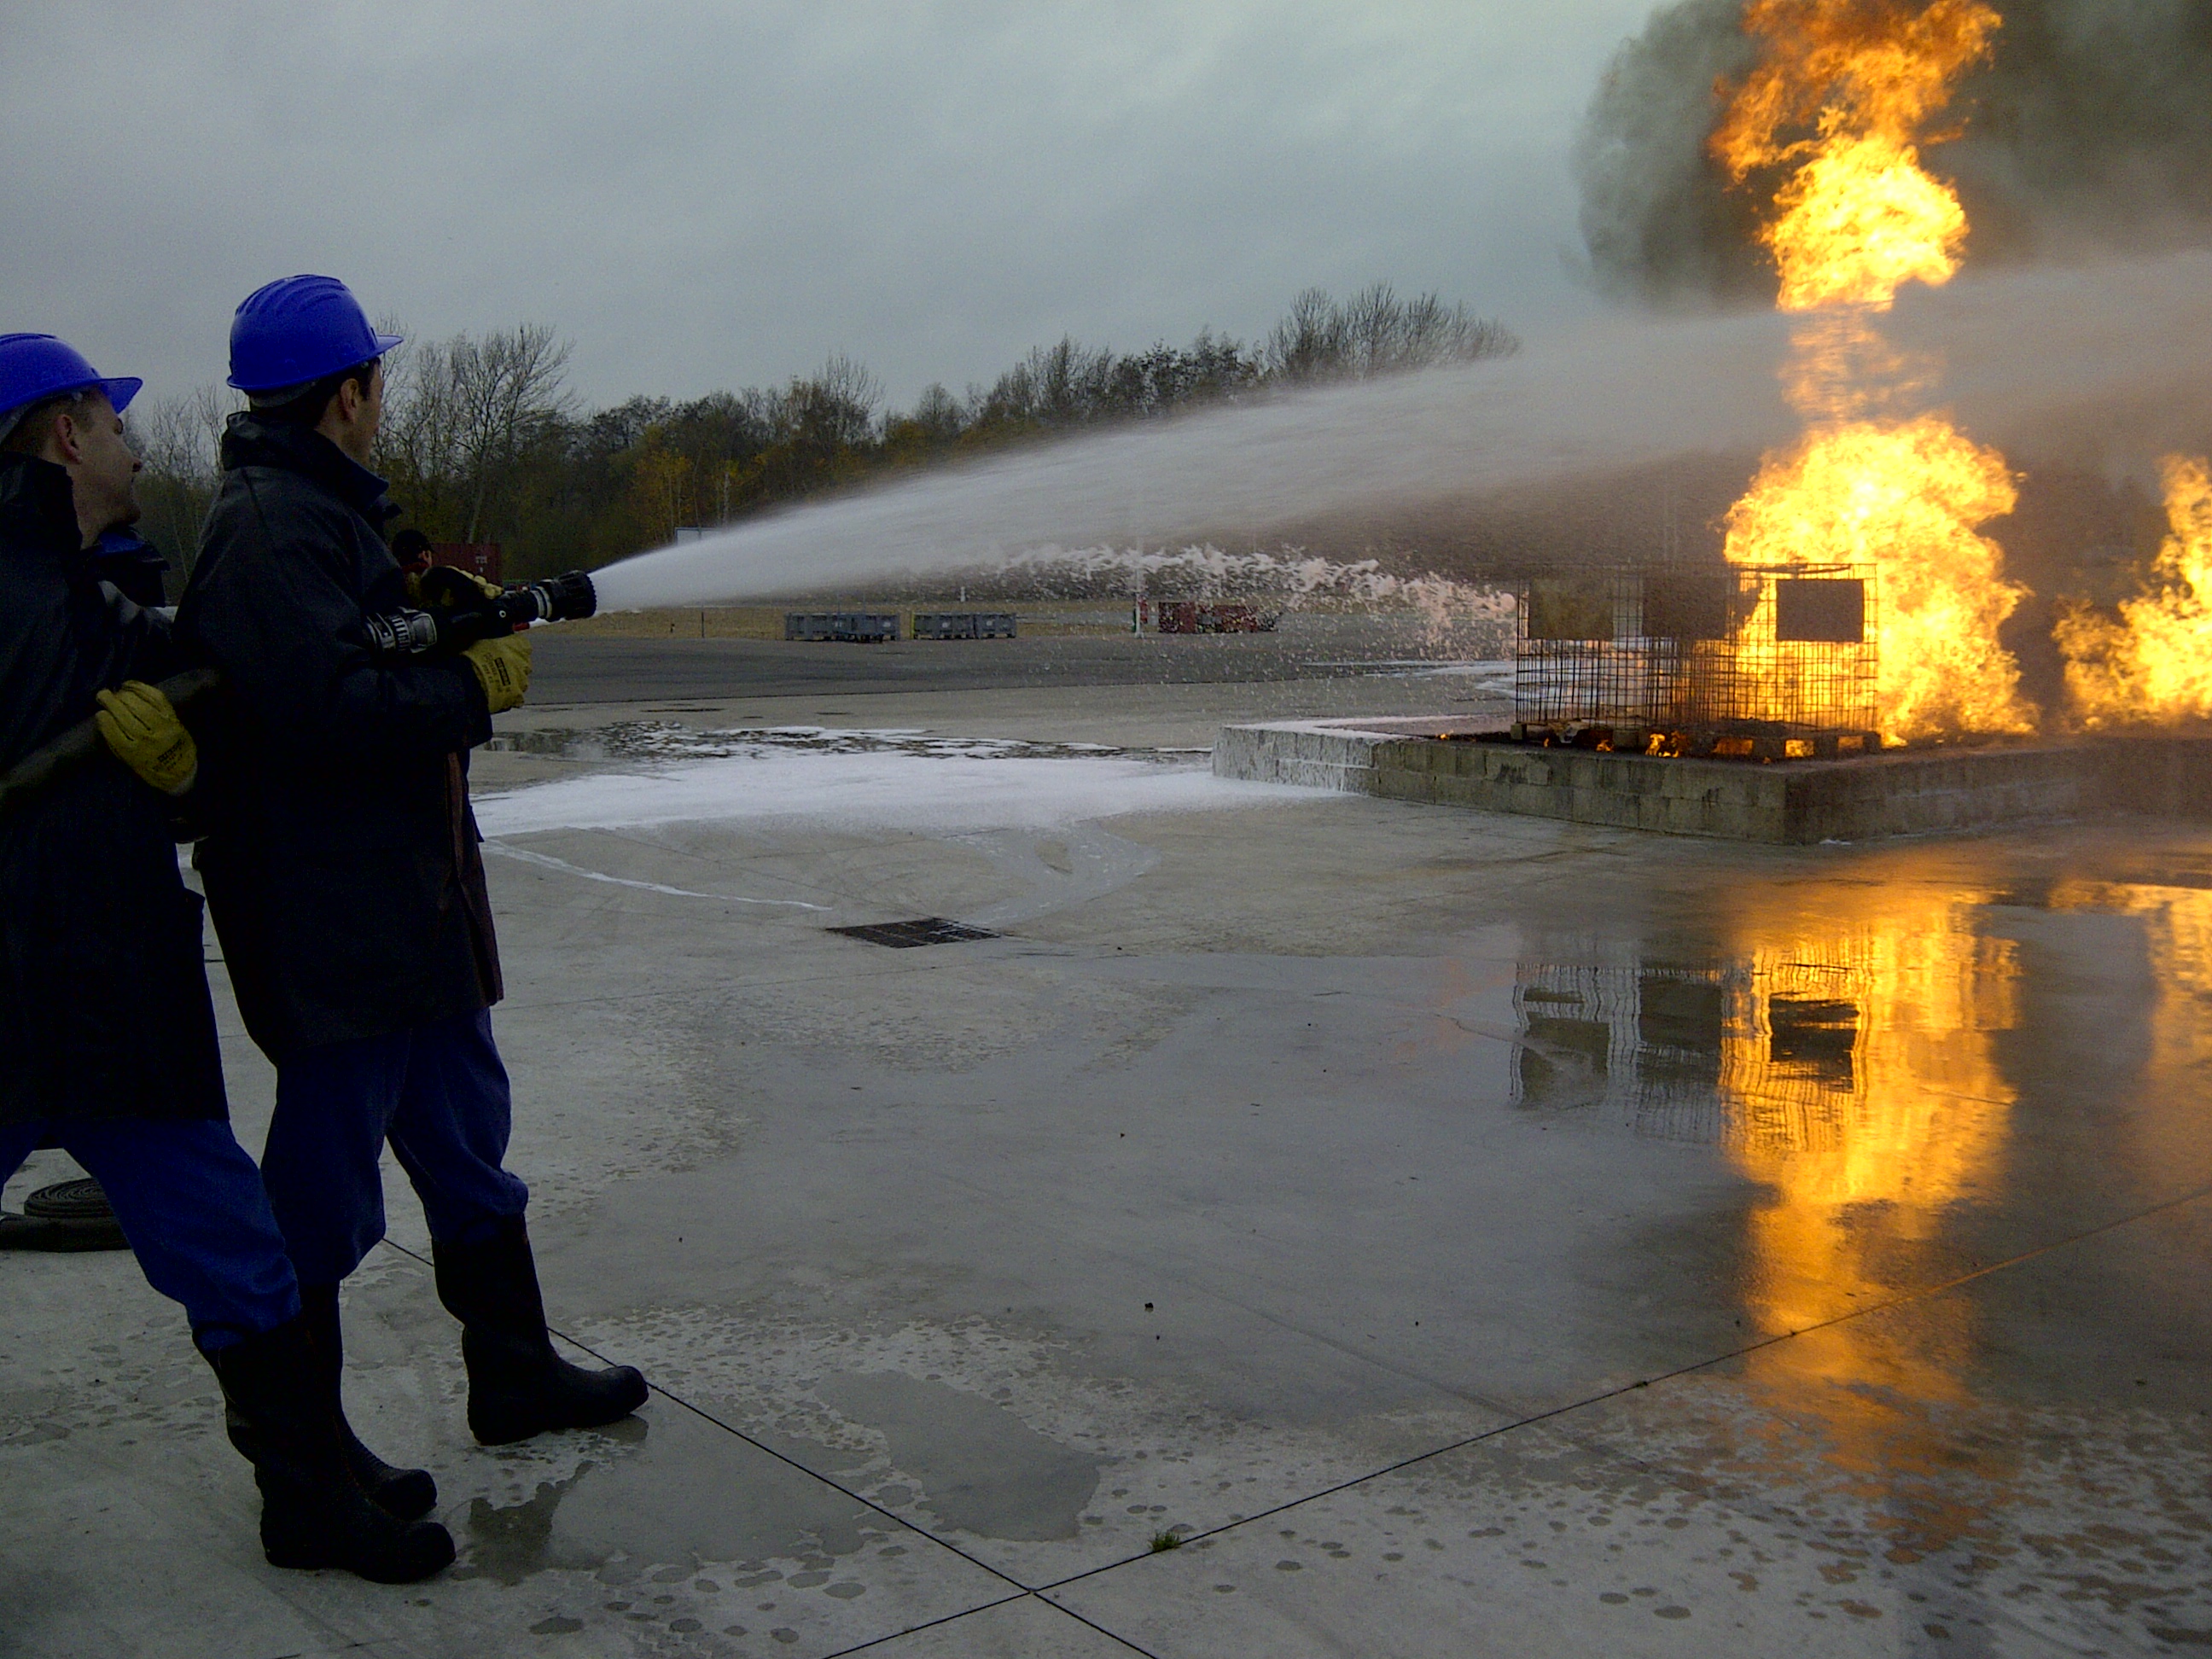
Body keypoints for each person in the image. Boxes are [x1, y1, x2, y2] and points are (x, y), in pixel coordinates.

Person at [0, 332, 453, 1583]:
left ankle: (307, 1490)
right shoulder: (35, 601)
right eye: (114, 417)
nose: (138, 442)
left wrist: (190, 780)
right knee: (243, 1254)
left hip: (104, 1001)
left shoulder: (94, 595)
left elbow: (221, 722)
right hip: (37, 997)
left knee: (243, 1258)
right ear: (64, 436)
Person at [178, 275, 647, 1462]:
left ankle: (515, 1374)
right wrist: (468, 690)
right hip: (339, 920)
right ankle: (308, 1455)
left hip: (409, 907)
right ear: (349, 393)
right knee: (325, 1190)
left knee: (466, 1137)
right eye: (378, 379)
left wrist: (439, 620)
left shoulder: (318, 513)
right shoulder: (271, 524)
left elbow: (351, 653)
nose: (383, 399)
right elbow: (320, 716)